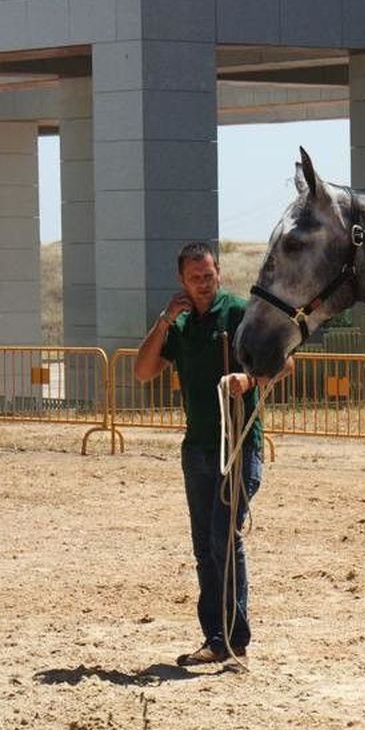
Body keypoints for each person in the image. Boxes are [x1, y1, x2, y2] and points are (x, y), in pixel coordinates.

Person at [133, 241, 265, 667]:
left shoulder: (241, 313)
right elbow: (143, 371)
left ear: (219, 273)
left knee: (224, 539)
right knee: (204, 547)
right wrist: (165, 320)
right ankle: (215, 635)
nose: (203, 284)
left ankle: (235, 640)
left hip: (239, 447)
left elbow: (284, 363)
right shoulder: (182, 322)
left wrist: (248, 380)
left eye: (208, 276)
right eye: (195, 278)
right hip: (198, 450)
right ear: (181, 281)